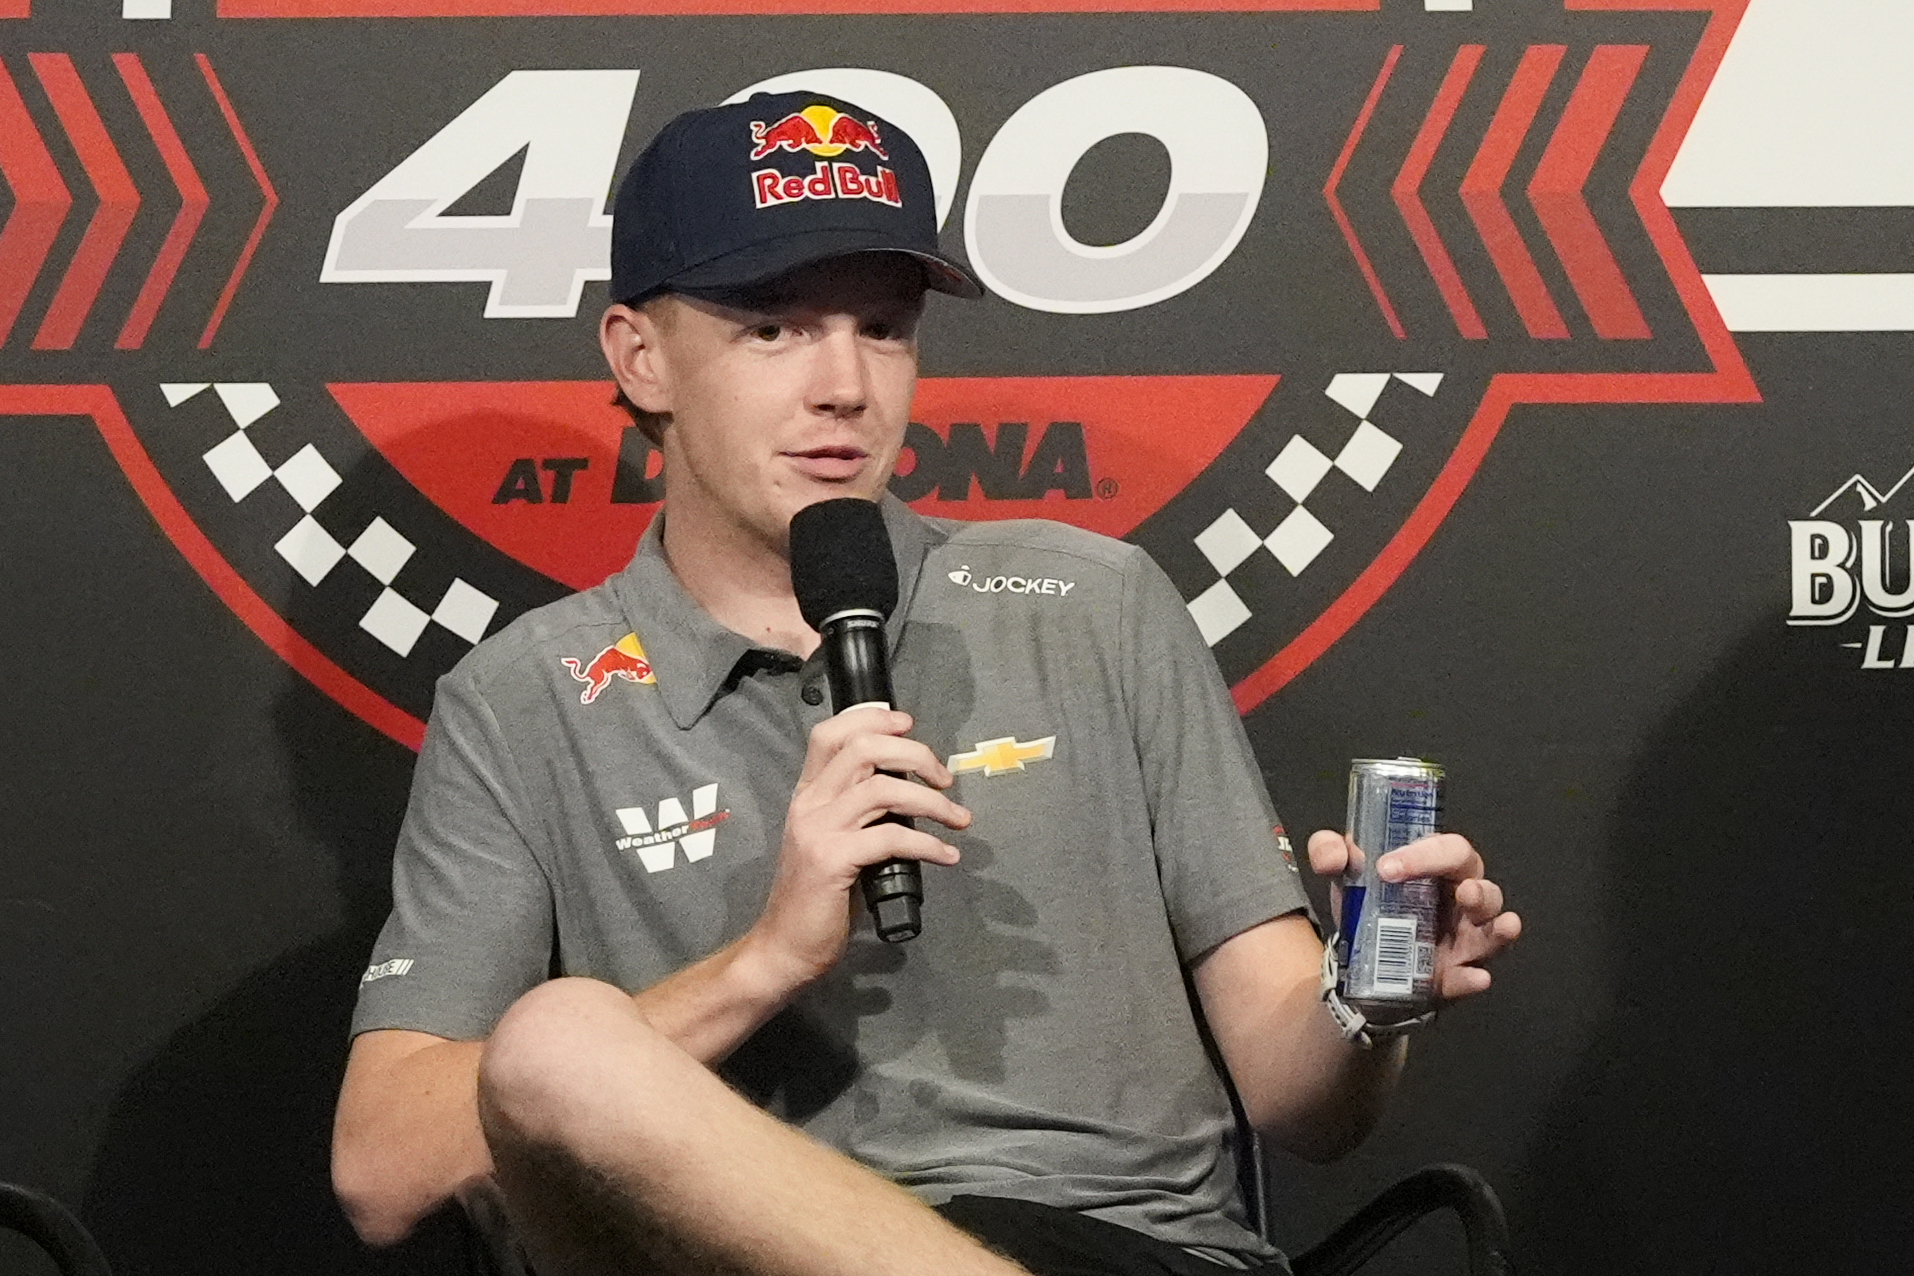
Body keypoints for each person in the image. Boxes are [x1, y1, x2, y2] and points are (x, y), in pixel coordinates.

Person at [331, 91, 1521, 1276]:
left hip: (1111, 1247)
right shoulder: (525, 699)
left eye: (884, 326)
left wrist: (1373, 994)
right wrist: (766, 960)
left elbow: (1301, 1094)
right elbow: (383, 1169)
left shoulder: (1094, 604)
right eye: (776, 330)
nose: (846, 385)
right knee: (555, 1050)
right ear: (640, 354)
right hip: (742, 1254)